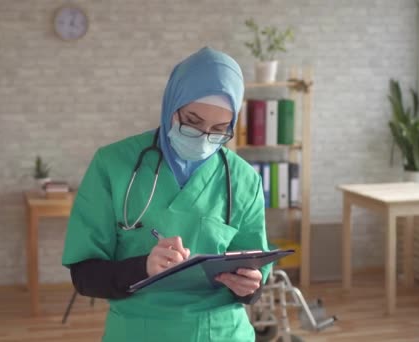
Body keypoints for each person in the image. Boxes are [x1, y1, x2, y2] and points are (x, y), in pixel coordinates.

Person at [62, 46, 271, 342]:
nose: (203, 138)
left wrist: (251, 286)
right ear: (171, 105)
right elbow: (85, 277)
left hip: (222, 333)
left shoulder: (243, 178)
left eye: (220, 129)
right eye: (193, 122)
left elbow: (256, 274)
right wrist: (144, 267)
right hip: (140, 331)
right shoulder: (113, 165)